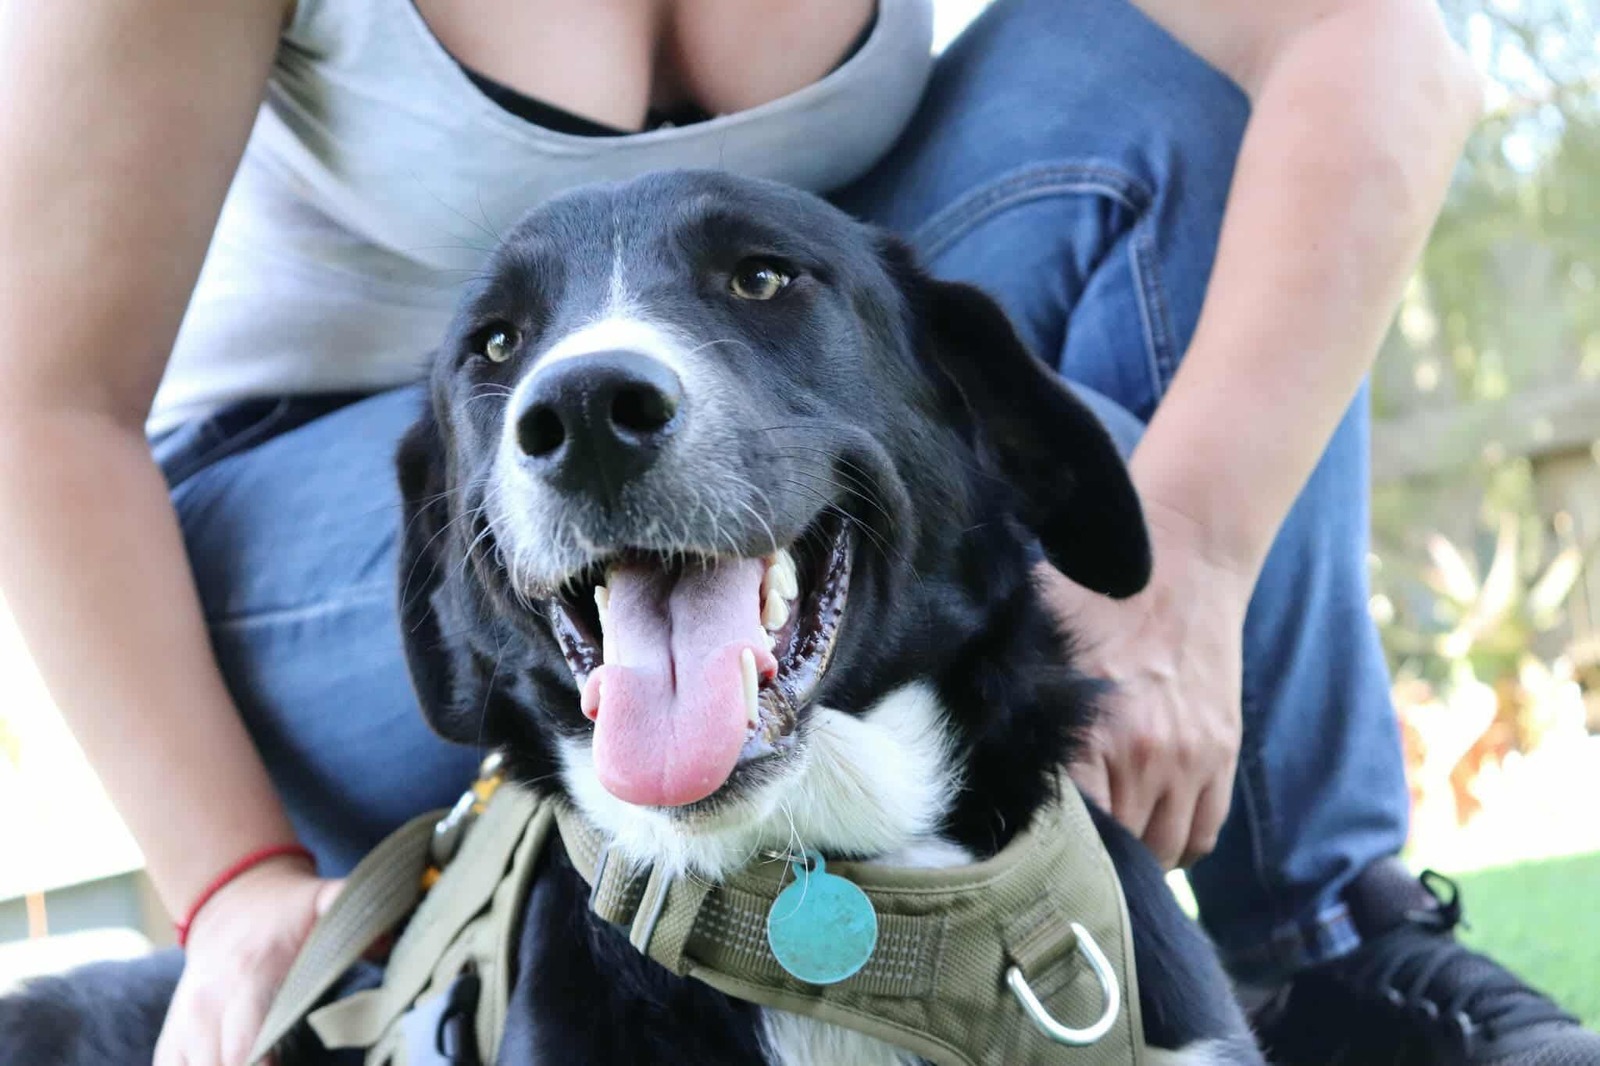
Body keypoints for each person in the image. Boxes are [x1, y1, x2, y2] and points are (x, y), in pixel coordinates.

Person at [0, 0, 1590, 1064]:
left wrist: (1191, 555)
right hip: (314, 534)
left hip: (779, 377)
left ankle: (1325, 938)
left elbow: (1384, 45)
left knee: (1184, 90)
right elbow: (35, 401)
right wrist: (233, 879)